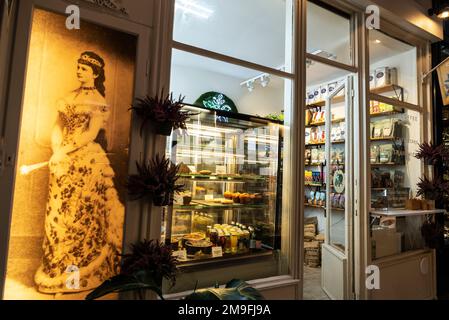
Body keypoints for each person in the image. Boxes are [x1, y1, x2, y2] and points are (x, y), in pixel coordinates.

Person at [34, 51, 124, 294]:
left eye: (84, 68)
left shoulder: (97, 100)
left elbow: (91, 134)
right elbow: (57, 126)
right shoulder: (68, 97)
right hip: (62, 160)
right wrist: (57, 150)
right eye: (78, 67)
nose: (79, 71)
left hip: (86, 160)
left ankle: (77, 273)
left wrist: (66, 150)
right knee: (58, 213)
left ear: (94, 73)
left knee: (79, 215)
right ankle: (56, 269)